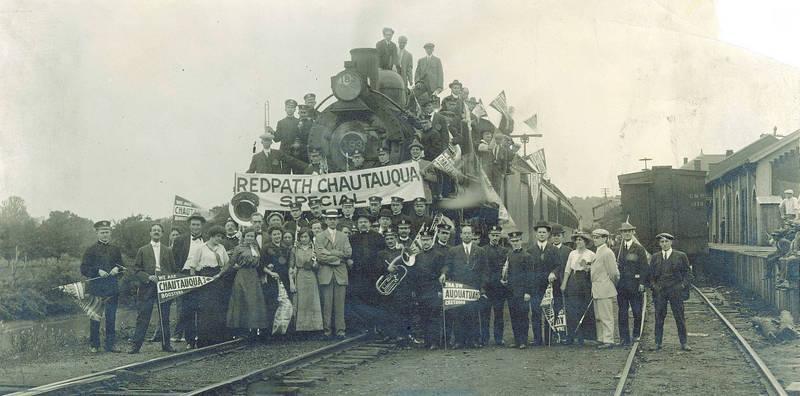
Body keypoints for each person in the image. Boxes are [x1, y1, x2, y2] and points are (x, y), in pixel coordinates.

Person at [129, 223, 177, 354]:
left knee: (165, 317)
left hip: (163, 287)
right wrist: (148, 277)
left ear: (162, 234)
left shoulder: (168, 250)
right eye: (154, 230)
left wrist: (165, 279)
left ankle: (166, 345)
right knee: (143, 316)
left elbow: (173, 270)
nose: (156, 232)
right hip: (147, 287)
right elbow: (136, 270)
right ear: (150, 233)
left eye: (159, 230)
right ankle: (136, 346)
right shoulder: (142, 250)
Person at [183, 225, 231, 347]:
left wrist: (220, 274)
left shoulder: (222, 248)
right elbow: (193, 266)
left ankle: (216, 339)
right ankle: (204, 340)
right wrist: (194, 282)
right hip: (204, 279)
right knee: (205, 310)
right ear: (211, 236)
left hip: (218, 279)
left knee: (217, 309)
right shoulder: (201, 248)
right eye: (217, 236)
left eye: (221, 237)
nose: (219, 239)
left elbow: (226, 264)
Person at [80, 220, 124, 353]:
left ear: (110, 233)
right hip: (96, 289)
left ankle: (110, 345)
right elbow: (84, 269)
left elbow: (122, 267)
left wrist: (117, 269)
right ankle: (94, 345)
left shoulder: (115, 250)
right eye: (102, 232)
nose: (105, 235)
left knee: (111, 318)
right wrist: (97, 271)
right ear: (97, 233)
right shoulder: (90, 250)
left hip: (112, 289)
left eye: (107, 232)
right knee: (95, 317)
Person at [646, 232, 692, 351]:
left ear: (671, 242)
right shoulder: (655, 257)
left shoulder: (681, 256)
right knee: (659, 316)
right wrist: (654, 286)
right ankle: (657, 343)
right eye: (662, 242)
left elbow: (688, 273)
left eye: (667, 241)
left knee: (679, 317)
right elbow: (650, 276)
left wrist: (682, 285)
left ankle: (684, 343)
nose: (664, 244)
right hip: (660, 291)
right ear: (659, 243)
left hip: (675, 290)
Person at [445, 224, 488, 348]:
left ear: (472, 235)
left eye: (469, 233)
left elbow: (485, 271)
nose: (467, 235)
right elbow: (448, 266)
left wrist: (482, 287)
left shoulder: (480, 251)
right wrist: (444, 274)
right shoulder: (453, 251)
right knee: (458, 315)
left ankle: (474, 340)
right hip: (459, 287)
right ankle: (459, 341)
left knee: (473, 315)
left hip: (474, 288)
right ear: (461, 235)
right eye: (465, 233)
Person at [315, 209, 353, 338]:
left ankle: (340, 331)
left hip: (340, 275)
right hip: (325, 274)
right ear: (326, 220)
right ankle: (327, 331)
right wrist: (338, 258)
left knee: (340, 305)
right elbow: (320, 257)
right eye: (330, 219)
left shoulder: (344, 236)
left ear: (337, 220)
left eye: (334, 218)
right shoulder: (319, 236)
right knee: (326, 304)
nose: (332, 221)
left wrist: (330, 253)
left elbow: (348, 253)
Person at [226, 227, 269, 336]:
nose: (250, 238)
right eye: (248, 236)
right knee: (243, 301)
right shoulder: (238, 248)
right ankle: (241, 330)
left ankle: (254, 329)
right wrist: (223, 272)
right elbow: (231, 263)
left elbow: (259, 262)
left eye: (252, 236)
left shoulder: (255, 247)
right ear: (244, 237)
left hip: (253, 276)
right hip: (242, 276)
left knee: (254, 302)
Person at [171, 214, 206, 346]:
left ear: (202, 226)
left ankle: (202, 339)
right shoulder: (180, 240)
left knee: (203, 308)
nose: (195, 227)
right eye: (193, 224)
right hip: (185, 275)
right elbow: (173, 258)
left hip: (202, 275)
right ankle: (190, 340)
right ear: (189, 225)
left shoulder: (207, 239)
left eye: (198, 224)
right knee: (187, 309)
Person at [347, 213, 385, 331]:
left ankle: (376, 327)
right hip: (358, 274)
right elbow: (348, 253)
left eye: (365, 222)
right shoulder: (352, 238)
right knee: (361, 300)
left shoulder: (378, 237)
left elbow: (383, 253)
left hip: (374, 274)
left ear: (369, 224)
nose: (363, 224)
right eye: (360, 222)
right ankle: (364, 327)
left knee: (374, 299)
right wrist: (349, 260)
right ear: (357, 225)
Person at [526, 220, 560, 346]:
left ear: (548, 234)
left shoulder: (553, 250)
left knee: (549, 312)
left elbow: (558, 266)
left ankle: (549, 338)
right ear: (536, 234)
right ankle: (537, 339)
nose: (541, 234)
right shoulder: (530, 251)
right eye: (539, 232)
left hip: (549, 287)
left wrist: (553, 273)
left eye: (544, 232)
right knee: (535, 313)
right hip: (535, 287)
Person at [616, 220, 649, 346]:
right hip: (622, 286)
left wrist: (642, 283)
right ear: (621, 233)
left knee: (636, 312)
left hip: (635, 286)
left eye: (629, 231)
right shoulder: (617, 249)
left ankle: (636, 335)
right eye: (624, 232)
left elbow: (644, 267)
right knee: (622, 313)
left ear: (632, 232)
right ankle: (624, 338)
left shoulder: (639, 249)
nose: (627, 234)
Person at [560, 232, 596, 345]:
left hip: (585, 281)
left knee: (583, 307)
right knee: (572, 308)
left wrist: (587, 268)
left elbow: (595, 270)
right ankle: (572, 335)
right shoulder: (572, 254)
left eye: (581, 240)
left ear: (585, 242)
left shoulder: (591, 254)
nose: (578, 242)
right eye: (577, 240)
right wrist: (564, 283)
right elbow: (567, 269)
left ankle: (584, 336)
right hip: (573, 280)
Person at [412, 229, 445, 349]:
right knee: (423, 316)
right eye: (423, 240)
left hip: (433, 289)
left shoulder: (438, 255)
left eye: (427, 240)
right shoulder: (417, 256)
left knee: (434, 316)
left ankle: (435, 342)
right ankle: (427, 341)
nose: (425, 242)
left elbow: (443, 270)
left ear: (432, 240)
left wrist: (440, 288)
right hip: (421, 290)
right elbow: (415, 274)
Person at [589, 229, 619, 349]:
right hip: (597, 288)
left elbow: (613, 273)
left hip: (604, 288)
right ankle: (601, 338)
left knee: (606, 316)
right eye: (594, 237)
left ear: (604, 238)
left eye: (597, 237)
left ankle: (608, 340)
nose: (595, 240)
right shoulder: (598, 251)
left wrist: (610, 285)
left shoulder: (607, 252)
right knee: (598, 316)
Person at [291, 229, 324, 335]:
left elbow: (319, 264)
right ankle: (301, 328)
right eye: (302, 237)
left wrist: (315, 265)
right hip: (300, 275)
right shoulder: (295, 249)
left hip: (312, 276)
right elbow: (291, 266)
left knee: (312, 300)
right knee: (301, 301)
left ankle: (315, 327)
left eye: (306, 237)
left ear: (310, 237)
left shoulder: (314, 249)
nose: (304, 239)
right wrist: (292, 280)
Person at [481, 225, 509, 346]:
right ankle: (484, 339)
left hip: (499, 289)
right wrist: (482, 288)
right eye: (493, 235)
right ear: (488, 236)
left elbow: (506, 270)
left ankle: (498, 338)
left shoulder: (504, 251)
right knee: (485, 315)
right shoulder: (482, 250)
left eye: (497, 235)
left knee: (499, 314)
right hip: (486, 288)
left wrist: (504, 281)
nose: (495, 238)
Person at [503, 231, 532, 348]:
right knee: (514, 316)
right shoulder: (509, 255)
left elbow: (530, 276)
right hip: (511, 291)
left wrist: (528, 292)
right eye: (513, 241)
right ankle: (516, 340)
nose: (515, 243)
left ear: (521, 241)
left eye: (517, 241)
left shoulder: (527, 256)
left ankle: (523, 341)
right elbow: (507, 272)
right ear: (510, 242)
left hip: (522, 292)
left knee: (523, 316)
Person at [261, 226, 291, 337]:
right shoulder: (266, 248)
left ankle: (283, 332)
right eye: (274, 234)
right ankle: (270, 333)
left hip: (284, 279)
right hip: (272, 279)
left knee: (285, 305)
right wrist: (271, 273)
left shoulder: (285, 247)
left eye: (278, 234)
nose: (277, 236)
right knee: (273, 304)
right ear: (271, 235)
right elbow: (262, 265)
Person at [274, 99, 302, 166]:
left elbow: (301, 137)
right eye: (288, 107)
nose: (290, 109)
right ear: (285, 109)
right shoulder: (281, 122)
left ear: (295, 109)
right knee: (285, 174)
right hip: (284, 153)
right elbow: (277, 139)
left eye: (292, 107)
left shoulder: (299, 122)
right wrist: (272, 132)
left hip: (296, 152)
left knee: (297, 174)